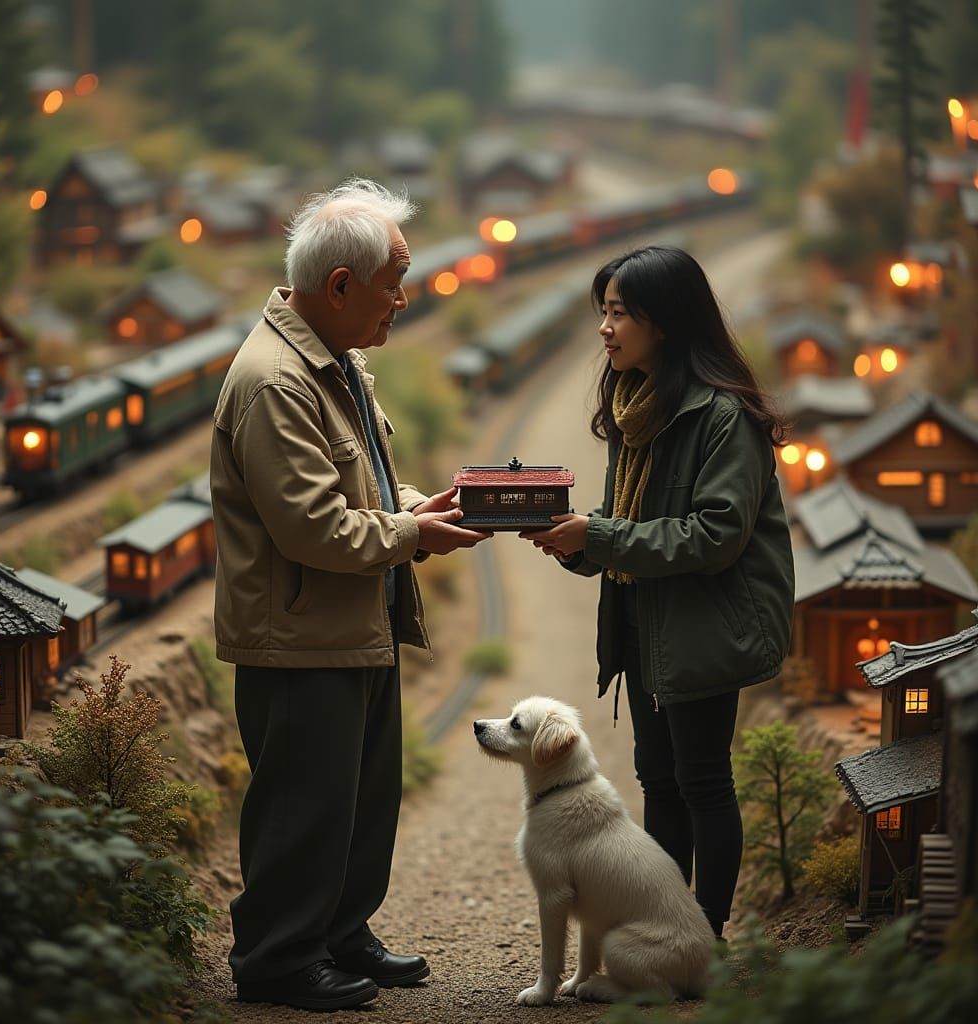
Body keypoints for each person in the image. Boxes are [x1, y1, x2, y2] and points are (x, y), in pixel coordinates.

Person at [210, 179, 492, 1012]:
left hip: (350, 623)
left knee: (358, 798)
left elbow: (358, 489)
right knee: (304, 803)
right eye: (393, 283)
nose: (403, 301)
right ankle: (276, 958)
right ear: (339, 287)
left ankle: (339, 931)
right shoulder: (276, 383)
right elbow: (311, 529)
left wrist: (411, 507)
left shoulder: (334, 363)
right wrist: (414, 536)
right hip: (298, 636)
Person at [521, 244, 794, 941]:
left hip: (705, 626)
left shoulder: (722, 418)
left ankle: (707, 935)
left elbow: (714, 536)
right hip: (647, 621)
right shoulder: (638, 407)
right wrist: (574, 542)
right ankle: (670, 931)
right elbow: (626, 527)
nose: (604, 328)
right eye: (602, 313)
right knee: (658, 779)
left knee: (702, 781)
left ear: (665, 322)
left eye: (619, 314)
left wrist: (600, 536)